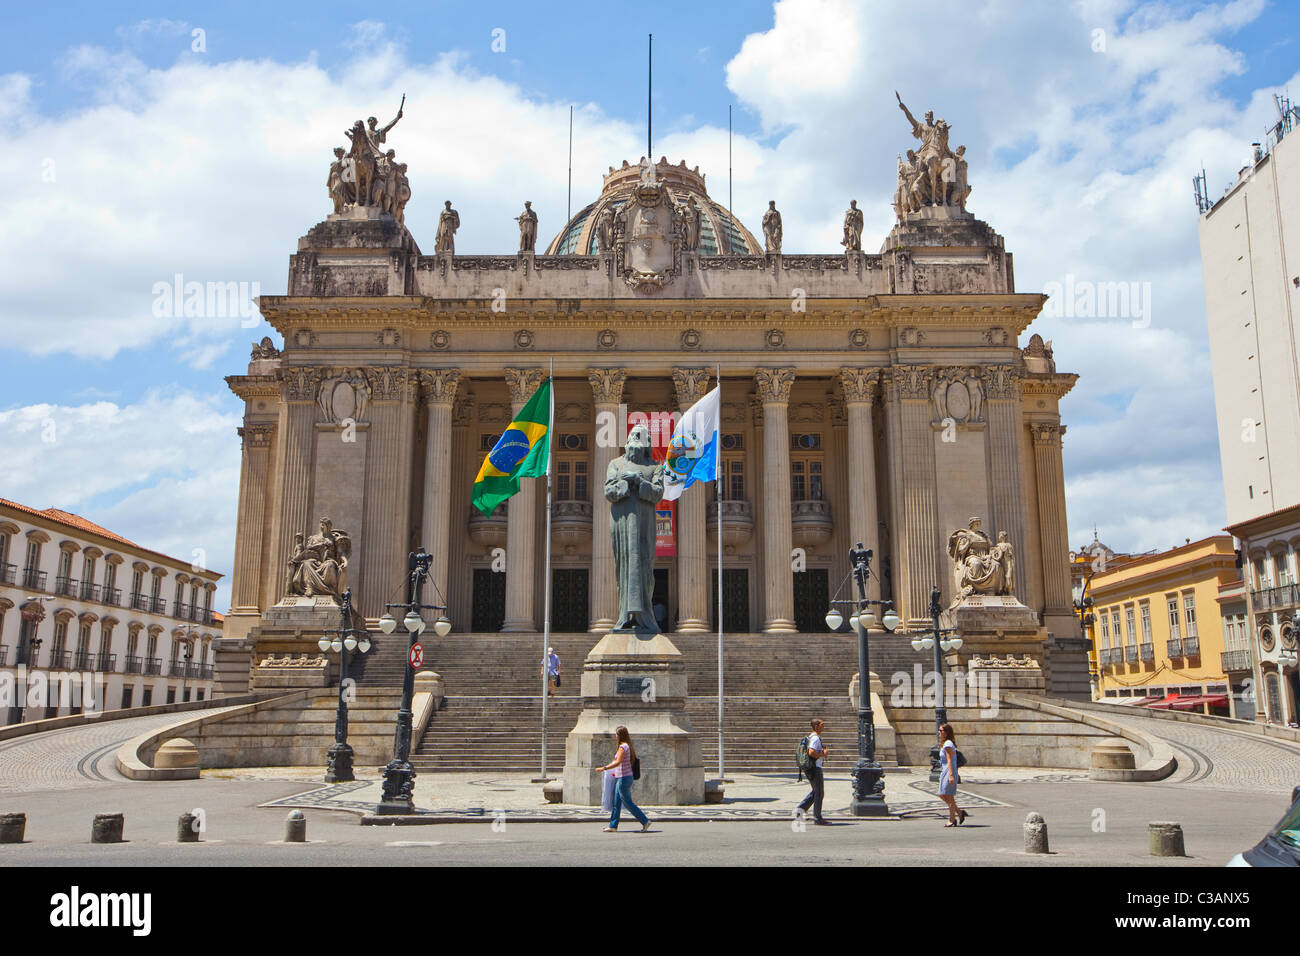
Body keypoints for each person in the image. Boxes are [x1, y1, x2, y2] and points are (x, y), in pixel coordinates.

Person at [596, 725, 651, 832]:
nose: (615, 736)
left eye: (616, 734)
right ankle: (613, 826)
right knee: (616, 803)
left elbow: (618, 762)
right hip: (623, 777)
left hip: (623, 778)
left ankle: (645, 821)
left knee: (627, 803)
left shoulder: (623, 747)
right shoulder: (628, 746)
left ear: (620, 735)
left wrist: (604, 768)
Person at [796, 718, 830, 825]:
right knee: (819, 793)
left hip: (812, 768)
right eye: (822, 724)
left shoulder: (812, 737)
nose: (823, 726)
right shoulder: (815, 738)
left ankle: (800, 810)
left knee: (816, 792)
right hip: (815, 768)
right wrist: (823, 754)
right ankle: (817, 818)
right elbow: (811, 752)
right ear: (816, 726)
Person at [937, 722, 967, 826]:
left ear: (946, 732)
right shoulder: (946, 743)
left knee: (948, 796)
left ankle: (951, 819)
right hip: (945, 770)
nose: (939, 732)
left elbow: (949, 760)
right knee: (942, 794)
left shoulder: (948, 744)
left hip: (949, 771)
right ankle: (959, 812)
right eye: (939, 730)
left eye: (941, 730)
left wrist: (950, 775)